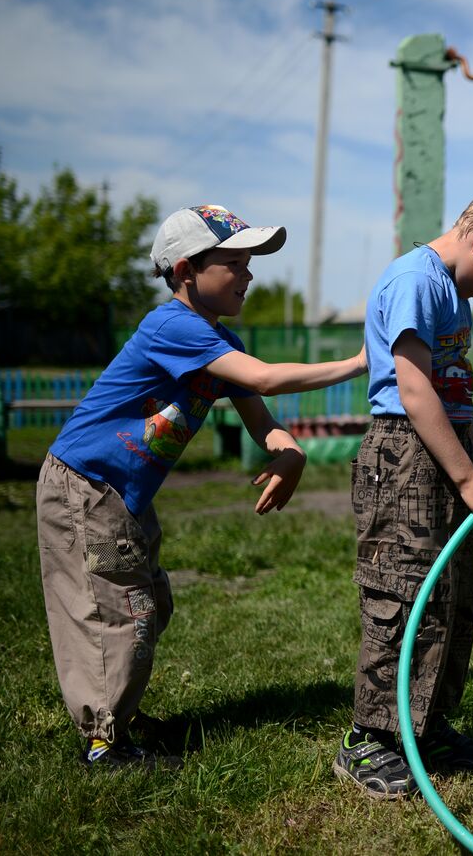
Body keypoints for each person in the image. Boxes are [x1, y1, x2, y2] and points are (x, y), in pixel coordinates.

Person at [37, 205, 368, 769]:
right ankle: (104, 741)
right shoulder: (173, 326)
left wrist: (290, 455)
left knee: (148, 604)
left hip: (120, 496)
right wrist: (362, 361)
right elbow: (264, 377)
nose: (249, 274)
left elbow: (261, 419)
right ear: (187, 269)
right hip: (85, 488)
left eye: (249, 263)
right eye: (235, 263)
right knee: (118, 609)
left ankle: (120, 710)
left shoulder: (216, 340)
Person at [334, 188, 473, 800]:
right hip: (405, 455)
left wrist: (467, 463)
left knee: (451, 593)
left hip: (446, 445)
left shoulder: (451, 288)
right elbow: (414, 389)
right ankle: (369, 739)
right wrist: (467, 476)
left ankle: (423, 728)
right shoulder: (416, 280)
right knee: (404, 593)